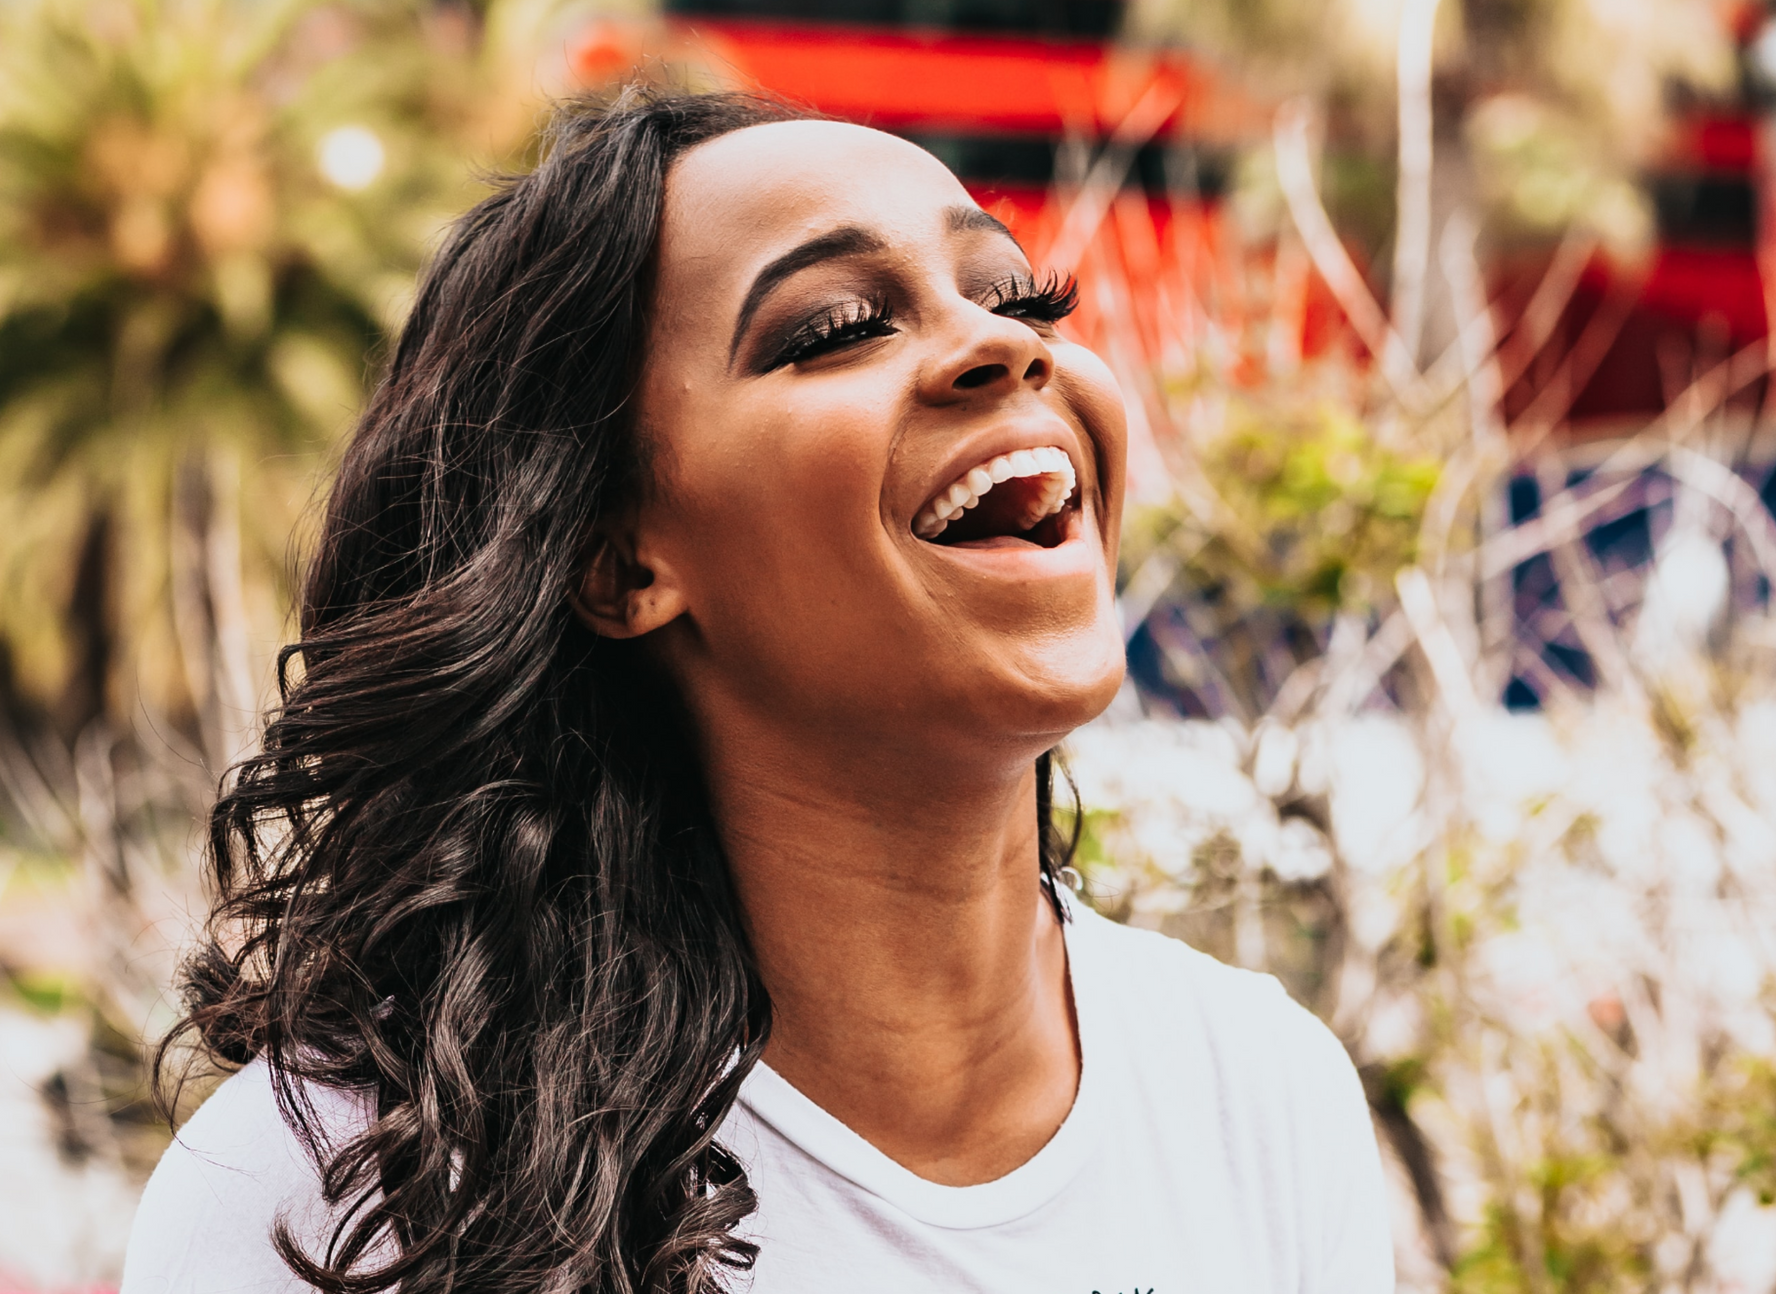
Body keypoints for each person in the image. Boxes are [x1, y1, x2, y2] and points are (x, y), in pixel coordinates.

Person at [120, 86, 1394, 1294]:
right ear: (620, 560)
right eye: (837, 328)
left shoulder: (1256, 1088)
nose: (1004, 345)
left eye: (1025, 297)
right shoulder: (346, 1185)